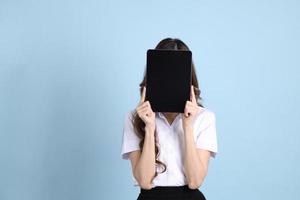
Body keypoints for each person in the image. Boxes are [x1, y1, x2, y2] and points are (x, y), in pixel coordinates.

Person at [120, 38, 218, 200]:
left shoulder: (204, 118)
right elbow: (144, 182)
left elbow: (195, 181)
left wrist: (188, 126)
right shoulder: (134, 118)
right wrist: (150, 127)